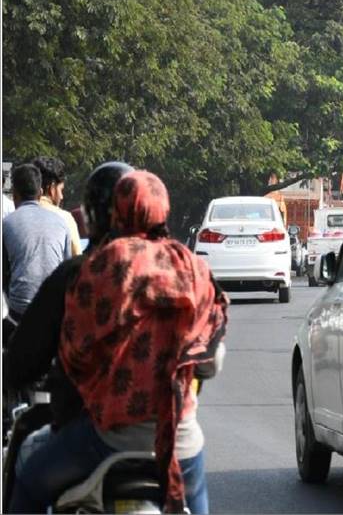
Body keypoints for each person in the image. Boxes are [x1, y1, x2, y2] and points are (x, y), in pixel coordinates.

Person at [9, 170, 228, 514]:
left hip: (104, 437)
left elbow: (70, 349)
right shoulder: (192, 269)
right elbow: (210, 359)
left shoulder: (94, 269)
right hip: (179, 439)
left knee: (28, 482)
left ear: (114, 212)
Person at [2, 164, 71, 323]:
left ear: (14, 194)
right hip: (53, 311)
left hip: (19, 312)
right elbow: (67, 270)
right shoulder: (61, 222)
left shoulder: (7, 224)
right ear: (40, 193)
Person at [30, 156, 83, 257]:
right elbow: (77, 259)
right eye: (61, 190)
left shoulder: (15, 217)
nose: (61, 197)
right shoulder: (65, 218)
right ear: (52, 187)